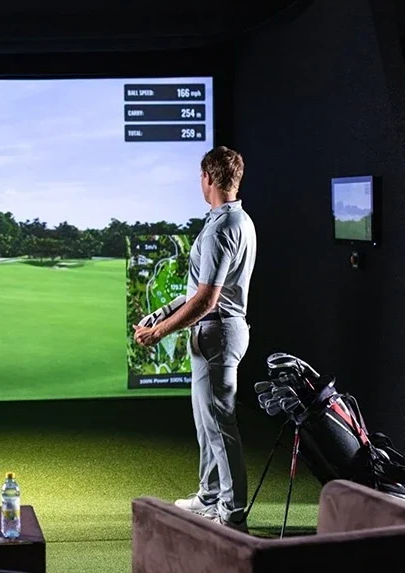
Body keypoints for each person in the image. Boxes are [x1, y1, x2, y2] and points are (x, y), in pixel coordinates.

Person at [133, 146, 256, 532]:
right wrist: (160, 313)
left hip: (218, 332)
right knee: (208, 424)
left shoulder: (221, 228)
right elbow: (198, 290)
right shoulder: (238, 220)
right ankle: (209, 498)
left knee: (220, 424)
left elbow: (206, 299)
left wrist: (159, 332)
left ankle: (232, 511)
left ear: (208, 178)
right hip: (218, 332)